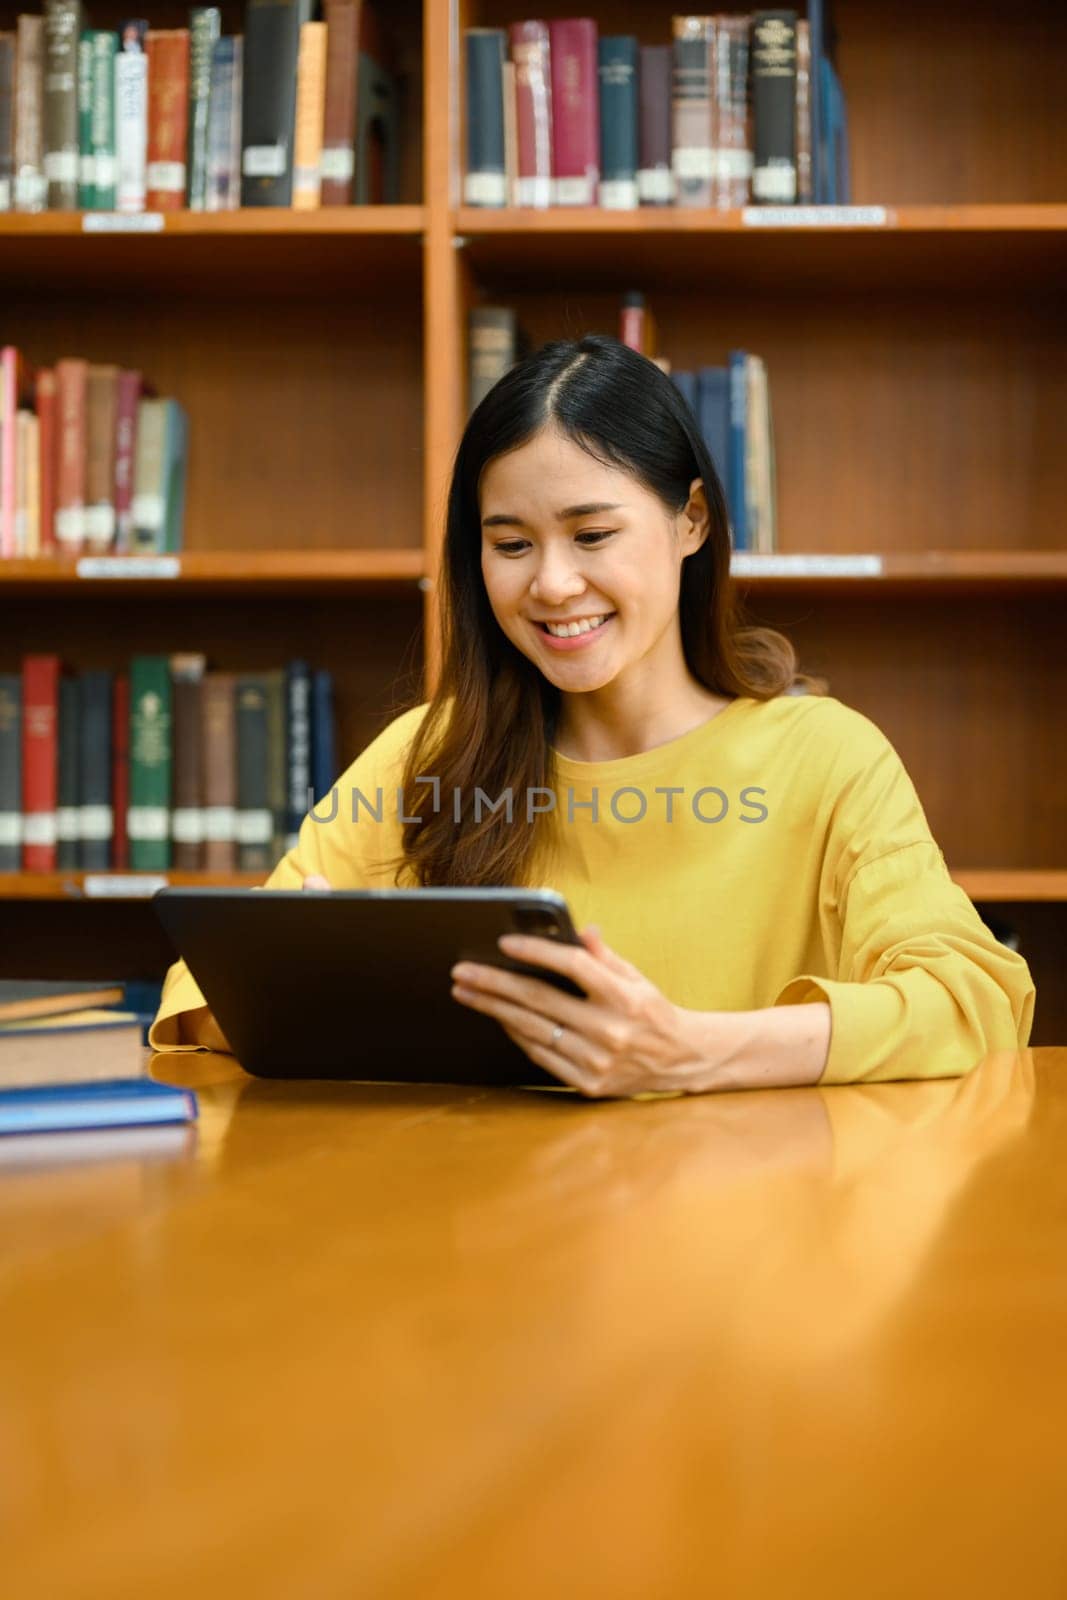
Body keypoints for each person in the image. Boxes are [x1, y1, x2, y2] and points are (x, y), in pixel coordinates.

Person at [150, 336, 1035, 1096]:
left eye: (593, 534)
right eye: (509, 544)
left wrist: (691, 1052)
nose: (552, 584)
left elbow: (975, 1000)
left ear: (689, 520)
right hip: (480, 1240)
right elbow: (204, 989)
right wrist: (310, 1001)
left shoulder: (826, 758)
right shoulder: (428, 753)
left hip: (747, 1245)